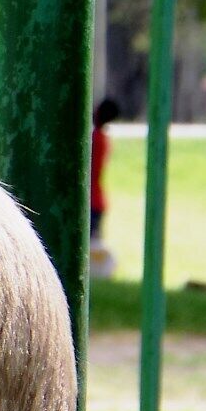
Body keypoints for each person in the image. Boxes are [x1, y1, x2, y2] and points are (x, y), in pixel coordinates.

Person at [90, 96, 120, 280]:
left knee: (92, 245)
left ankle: (98, 274)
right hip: (98, 199)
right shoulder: (104, 139)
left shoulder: (95, 139)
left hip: (92, 201)